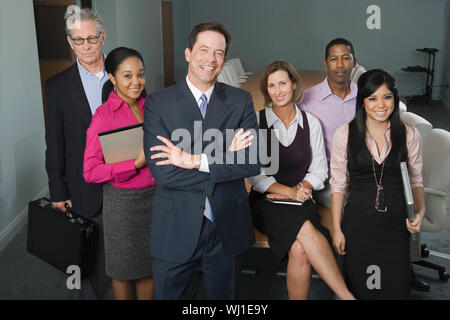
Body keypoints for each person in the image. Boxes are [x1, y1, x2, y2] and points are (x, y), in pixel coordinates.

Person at [143, 22, 260, 299]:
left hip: (226, 224)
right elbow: (164, 173)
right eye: (204, 50)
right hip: (176, 223)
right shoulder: (159, 103)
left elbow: (253, 162)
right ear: (188, 53)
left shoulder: (240, 100)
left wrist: (193, 159)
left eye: (219, 53)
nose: (211, 59)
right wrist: (226, 157)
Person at [248, 60, 355, 300]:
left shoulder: (311, 123)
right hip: (266, 202)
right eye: (272, 86)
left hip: (302, 196)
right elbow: (255, 174)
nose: (278, 91)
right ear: (267, 90)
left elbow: (318, 170)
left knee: (299, 249)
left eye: (283, 83)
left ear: (293, 84)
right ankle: (346, 296)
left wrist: (301, 189)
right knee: (304, 230)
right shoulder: (257, 121)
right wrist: (288, 192)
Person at [330, 69, 425, 299]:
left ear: (395, 98)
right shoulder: (345, 134)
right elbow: (338, 185)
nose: (380, 104)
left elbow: (416, 180)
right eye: (372, 98)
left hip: (396, 225)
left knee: (395, 290)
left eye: (387, 97)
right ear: (362, 101)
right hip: (359, 225)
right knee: (363, 290)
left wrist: (420, 212)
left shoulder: (409, 134)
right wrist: (336, 228)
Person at [44, 5, 109, 299]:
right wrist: (57, 190)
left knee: (123, 254)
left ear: (103, 37)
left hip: (125, 180)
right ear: (70, 42)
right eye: (79, 40)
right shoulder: (57, 87)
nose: (86, 46)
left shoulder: (126, 75)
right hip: (82, 185)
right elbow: (55, 142)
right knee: (85, 257)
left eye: (92, 39)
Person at [83, 47, 155, 300]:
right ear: (112, 78)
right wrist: (133, 164)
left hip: (155, 198)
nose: (136, 82)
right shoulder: (103, 117)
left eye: (140, 74)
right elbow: (90, 171)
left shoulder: (151, 107)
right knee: (122, 272)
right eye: (128, 76)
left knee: (148, 269)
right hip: (122, 203)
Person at [299, 38, 357, 210]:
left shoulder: (367, 98)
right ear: (325, 64)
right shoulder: (307, 100)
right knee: (344, 200)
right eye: (334, 59)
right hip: (326, 174)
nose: (340, 64)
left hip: (360, 171)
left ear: (354, 62)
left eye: (346, 58)